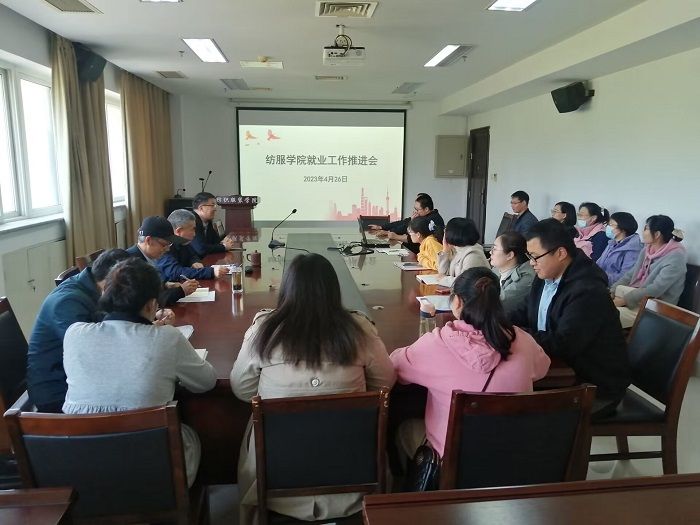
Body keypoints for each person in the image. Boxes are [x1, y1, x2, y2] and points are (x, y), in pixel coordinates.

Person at [230, 253, 395, 524]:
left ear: (287, 289)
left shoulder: (264, 329)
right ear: (334, 290)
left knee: (258, 415)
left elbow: (241, 388)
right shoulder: (359, 329)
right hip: (352, 477)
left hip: (277, 478)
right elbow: (384, 384)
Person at [62, 258, 217, 487]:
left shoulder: (74, 334)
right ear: (151, 305)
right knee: (191, 435)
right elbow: (207, 382)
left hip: (81, 469)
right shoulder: (167, 338)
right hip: (150, 471)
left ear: (104, 293)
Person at [390, 267, 550, 460]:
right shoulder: (522, 339)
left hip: (454, 461)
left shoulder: (436, 343)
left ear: (457, 301)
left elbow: (393, 367)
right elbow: (542, 369)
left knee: (405, 428)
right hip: (515, 456)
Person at [511, 219, 630, 418]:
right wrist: (494, 321)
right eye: (529, 256)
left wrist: (515, 333)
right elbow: (524, 311)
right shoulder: (546, 276)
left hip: (592, 386)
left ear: (560, 253)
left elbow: (563, 344)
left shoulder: (588, 290)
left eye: (535, 257)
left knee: (518, 412)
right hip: (559, 368)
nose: (531, 263)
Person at [26, 249, 130, 413]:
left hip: (75, 378)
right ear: (114, 279)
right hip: (57, 393)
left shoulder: (91, 287)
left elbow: (102, 321)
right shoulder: (67, 301)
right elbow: (89, 351)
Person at [611, 215, 687, 329]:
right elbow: (630, 275)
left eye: (646, 228)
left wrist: (623, 301)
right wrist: (612, 291)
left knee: (605, 315)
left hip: (657, 307)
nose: (643, 232)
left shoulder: (676, 257)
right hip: (640, 298)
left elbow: (656, 289)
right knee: (610, 295)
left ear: (657, 234)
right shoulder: (647, 250)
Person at [126, 215, 199, 306]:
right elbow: (147, 301)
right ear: (149, 241)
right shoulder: (131, 264)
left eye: (169, 245)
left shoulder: (150, 258)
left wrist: (165, 285)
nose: (167, 249)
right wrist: (181, 291)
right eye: (164, 245)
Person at [156, 209, 230, 281]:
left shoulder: (183, 241)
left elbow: (193, 255)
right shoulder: (164, 246)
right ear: (179, 231)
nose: (194, 234)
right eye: (192, 229)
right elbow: (175, 272)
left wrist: (195, 262)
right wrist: (211, 272)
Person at [369, 193, 444, 254]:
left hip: (417, 254)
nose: (416, 212)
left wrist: (396, 236)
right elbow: (404, 222)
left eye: (417, 210)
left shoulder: (433, 220)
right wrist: (382, 227)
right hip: (409, 250)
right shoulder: (423, 216)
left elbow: (416, 237)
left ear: (426, 209)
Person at [489, 231, 536, 316]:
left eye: (494, 249)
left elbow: (498, 304)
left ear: (510, 255)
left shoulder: (527, 277)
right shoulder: (497, 270)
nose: (490, 252)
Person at [596, 212, 643, 285]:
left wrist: (599, 278)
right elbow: (599, 264)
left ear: (623, 228)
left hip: (612, 286)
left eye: (611, 225)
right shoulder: (612, 243)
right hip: (599, 281)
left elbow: (624, 277)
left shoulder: (633, 249)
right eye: (608, 224)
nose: (607, 227)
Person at [190, 192, 235, 257]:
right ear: (201, 208)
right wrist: (224, 247)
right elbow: (201, 249)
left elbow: (215, 241)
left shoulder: (207, 221)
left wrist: (224, 242)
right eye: (212, 205)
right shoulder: (192, 221)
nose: (215, 209)